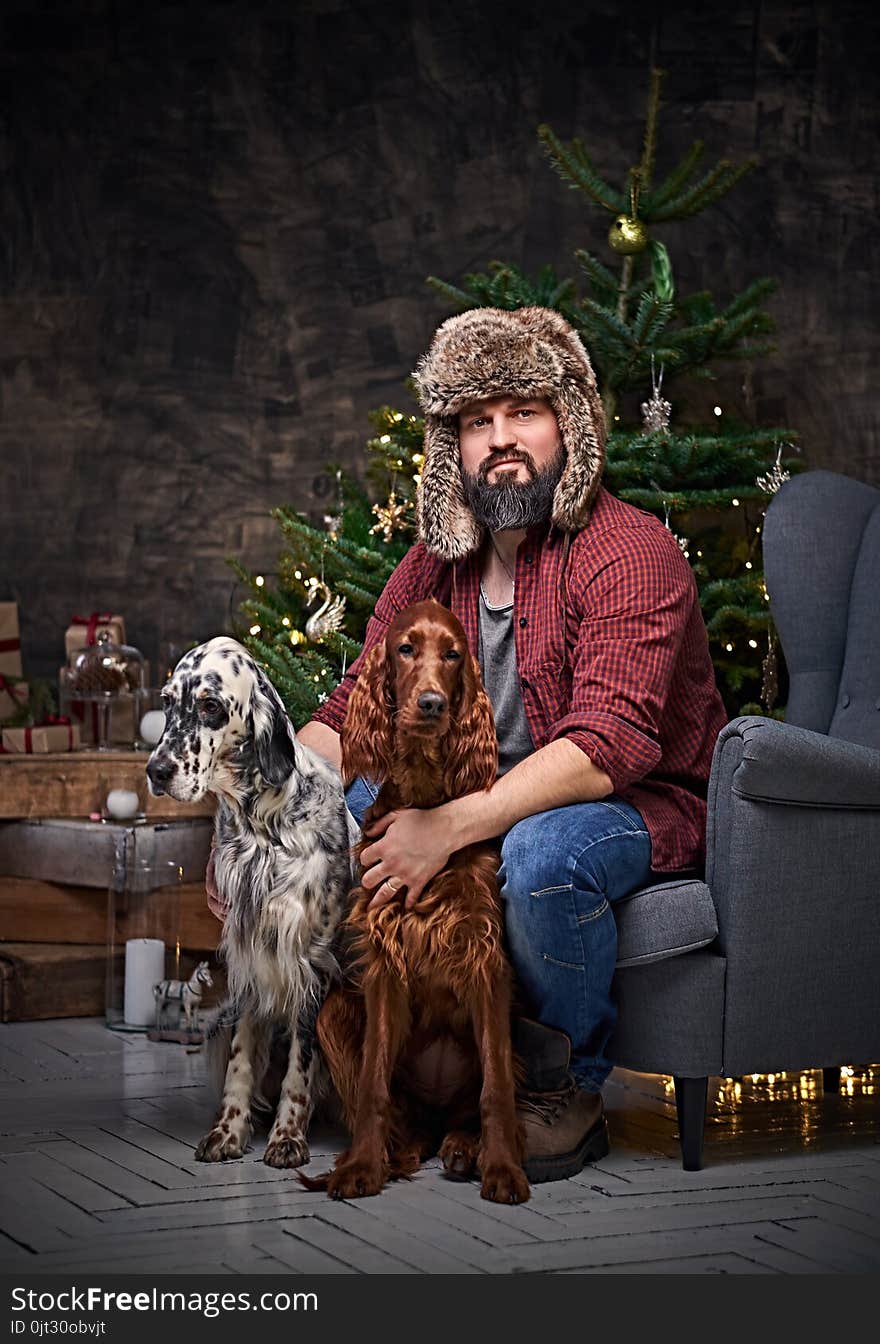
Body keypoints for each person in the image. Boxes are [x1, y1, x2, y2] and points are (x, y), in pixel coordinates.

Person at [209, 305, 729, 1182]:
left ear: (570, 423)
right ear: (454, 446)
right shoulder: (433, 565)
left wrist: (447, 830)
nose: (501, 440)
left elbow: (605, 747)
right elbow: (345, 711)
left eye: (523, 410)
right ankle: (340, 1059)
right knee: (325, 821)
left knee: (538, 852)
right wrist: (252, 831)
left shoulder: (629, 552)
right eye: (476, 421)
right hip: (464, 785)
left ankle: (565, 1086)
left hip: (630, 803)